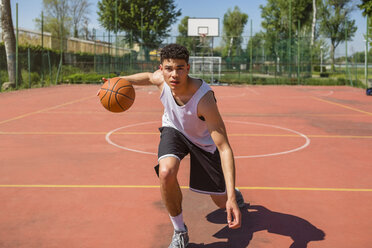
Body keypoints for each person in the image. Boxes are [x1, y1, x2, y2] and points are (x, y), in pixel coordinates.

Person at [99, 44, 244, 248]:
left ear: (188, 68)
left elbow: (224, 148)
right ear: (162, 68)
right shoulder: (161, 80)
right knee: (166, 173)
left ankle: (234, 193)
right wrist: (119, 81)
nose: (174, 74)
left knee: (221, 203)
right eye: (168, 68)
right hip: (174, 130)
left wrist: (230, 199)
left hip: (203, 142)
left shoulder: (204, 99)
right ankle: (180, 231)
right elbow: (149, 77)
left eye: (180, 68)